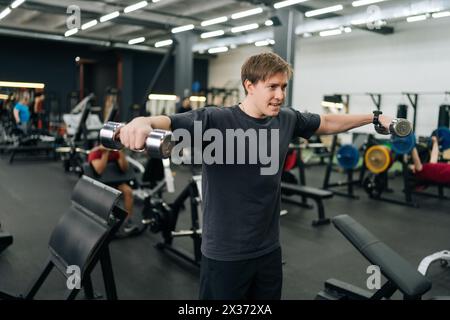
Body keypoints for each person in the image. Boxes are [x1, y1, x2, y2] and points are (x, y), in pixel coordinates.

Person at [116, 52, 393, 299]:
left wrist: (373, 117)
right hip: (224, 254)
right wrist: (142, 121)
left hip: (268, 250)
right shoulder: (215, 119)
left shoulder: (287, 119)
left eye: (283, 87)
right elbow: (168, 122)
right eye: (272, 87)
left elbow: (329, 122)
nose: (280, 95)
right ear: (249, 86)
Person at [88, 144, 140, 237]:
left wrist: (120, 151)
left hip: (115, 181)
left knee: (128, 191)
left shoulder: (116, 153)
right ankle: (105, 223)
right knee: (108, 196)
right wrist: (105, 153)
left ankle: (126, 222)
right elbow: (99, 171)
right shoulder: (95, 153)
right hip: (100, 183)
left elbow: (124, 168)